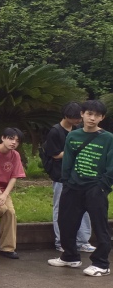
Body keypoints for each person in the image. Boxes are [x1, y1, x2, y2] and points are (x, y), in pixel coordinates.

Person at [48, 100, 113, 277]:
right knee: (66, 223)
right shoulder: (73, 136)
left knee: (100, 226)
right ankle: (70, 257)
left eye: (97, 115)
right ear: (82, 114)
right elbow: (68, 161)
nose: (92, 118)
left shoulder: (108, 138)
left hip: (95, 188)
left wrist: (102, 186)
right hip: (73, 187)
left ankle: (101, 263)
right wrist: (67, 182)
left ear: (102, 118)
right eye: (89, 114)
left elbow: (111, 166)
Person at [44, 102, 94, 253]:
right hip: (61, 176)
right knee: (61, 208)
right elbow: (54, 154)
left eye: (79, 117)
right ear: (66, 116)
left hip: (78, 174)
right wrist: (73, 152)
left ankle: (83, 240)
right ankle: (61, 241)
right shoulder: (55, 131)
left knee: (84, 207)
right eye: (75, 118)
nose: (78, 120)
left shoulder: (78, 130)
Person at [0, 128, 25, 259]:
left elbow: (14, 176)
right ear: (3, 138)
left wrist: (4, 194)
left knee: (10, 212)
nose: (14, 143)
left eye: (17, 141)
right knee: (1, 208)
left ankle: (7, 248)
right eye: (11, 138)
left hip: (4, 191)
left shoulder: (15, 155)